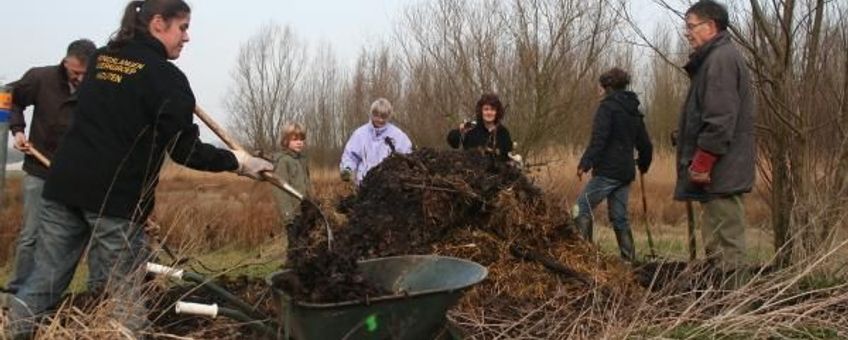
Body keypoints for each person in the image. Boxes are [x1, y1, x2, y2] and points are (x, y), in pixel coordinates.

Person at [5, 0, 273, 336]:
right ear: (158, 23)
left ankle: (14, 332)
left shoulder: (101, 59)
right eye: (183, 27)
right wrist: (239, 163)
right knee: (124, 296)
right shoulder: (166, 78)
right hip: (114, 201)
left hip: (64, 187)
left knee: (44, 280)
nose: (187, 37)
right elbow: (185, 149)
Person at [3, 39, 97, 295]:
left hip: (76, 176)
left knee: (74, 237)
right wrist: (16, 130)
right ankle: (16, 292)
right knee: (31, 236)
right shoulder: (41, 78)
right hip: (40, 169)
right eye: (76, 72)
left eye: (85, 74)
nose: (80, 78)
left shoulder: (98, 87)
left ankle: (56, 293)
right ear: (66, 62)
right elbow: (7, 96)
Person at [675, 0, 755, 272]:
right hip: (719, 176)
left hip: (721, 174)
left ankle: (736, 310)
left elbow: (720, 120)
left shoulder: (720, 59)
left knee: (726, 247)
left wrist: (702, 162)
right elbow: (709, 114)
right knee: (717, 246)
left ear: (710, 26)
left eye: (691, 26)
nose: (687, 32)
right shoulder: (715, 59)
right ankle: (724, 308)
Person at [573, 68, 652, 263]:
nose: (599, 90)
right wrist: (643, 164)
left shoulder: (607, 108)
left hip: (608, 171)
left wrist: (585, 163)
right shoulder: (634, 109)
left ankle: (585, 260)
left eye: (601, 87)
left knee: (580, 209)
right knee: (619, 217)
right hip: (625, 172)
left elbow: (599, 139)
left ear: (607, 87)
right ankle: (629, 261)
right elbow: (646, 144)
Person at [340, 98, 412, 185]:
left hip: (389, 186)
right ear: (371, 114)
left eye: (384, 116)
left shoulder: (398, 136)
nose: (380, 120)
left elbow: (408, 156)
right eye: (377, 116)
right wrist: (347, 169)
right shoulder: (360, 134)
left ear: (389, 116)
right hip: (363, 184)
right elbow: (350, 156)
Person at [446, 93, 513, 161]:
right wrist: (460, 130)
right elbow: (453, 143)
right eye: (486, 109)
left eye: (492, 109)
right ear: (481, 111)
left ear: (497, 112)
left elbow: (507, 155)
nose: (489, 112)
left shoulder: (503, 132)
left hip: (496, 170)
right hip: (472, 169)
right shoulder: (472, 128)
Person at [274, 123, 313, 226]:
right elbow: (281, 190)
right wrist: (288, 216)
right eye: (295, 140)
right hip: (293, 214)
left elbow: (307, 183)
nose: (299, 142)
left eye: (301, 139)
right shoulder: (283, 161)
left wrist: (313, 202)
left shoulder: (303, 160)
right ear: (286, 141)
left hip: (306, 210)